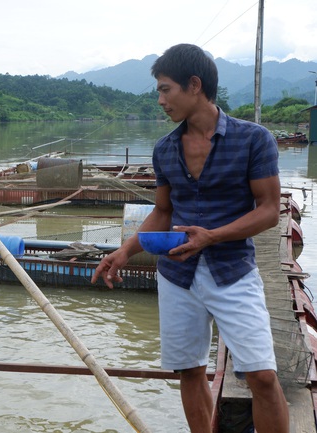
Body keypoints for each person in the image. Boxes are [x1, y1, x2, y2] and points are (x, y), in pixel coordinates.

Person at [91, 43, 289, 433]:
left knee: (262, 376)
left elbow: (268, 209)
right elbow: (163, 211)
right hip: (177, 276)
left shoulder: (253, 139)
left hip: (233, 271)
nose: (161, 100)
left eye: (166, 90)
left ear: (194, 85)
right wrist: (125, 251)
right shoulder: (165, 149)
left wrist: (211, 237)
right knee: (190, 372)